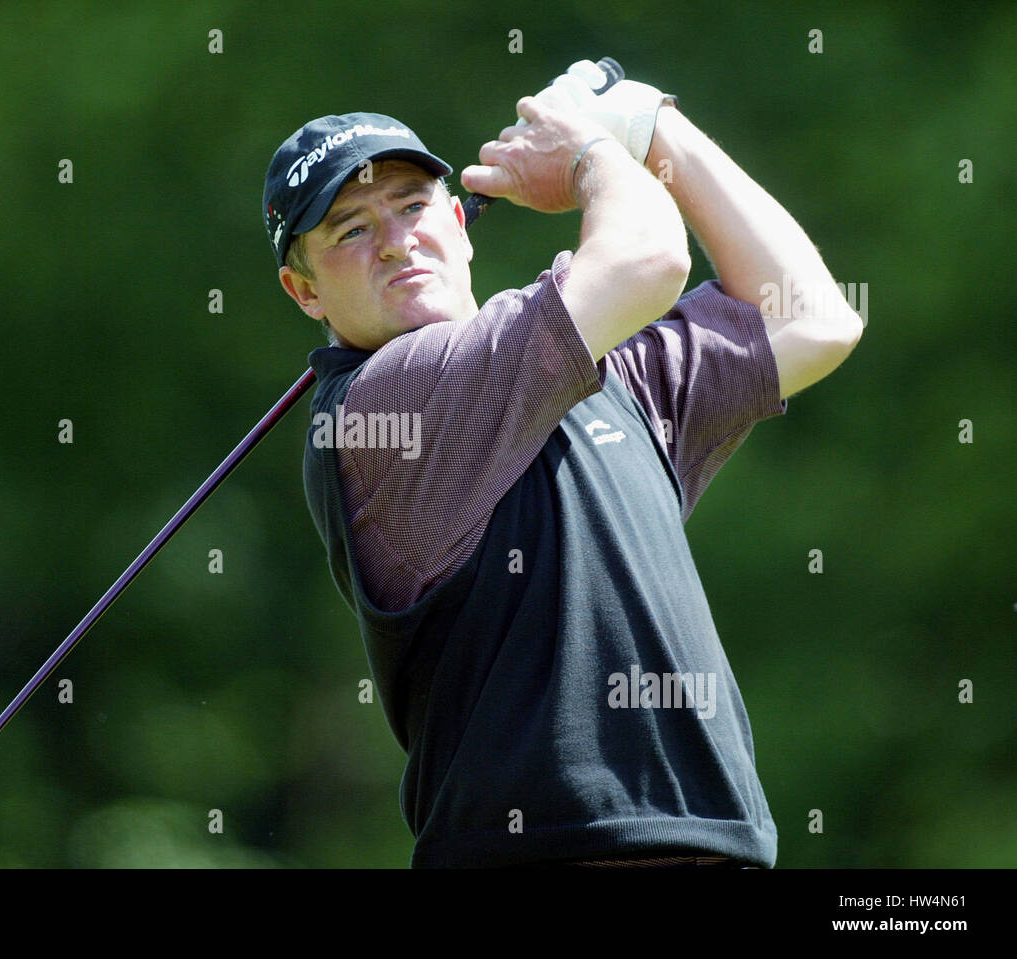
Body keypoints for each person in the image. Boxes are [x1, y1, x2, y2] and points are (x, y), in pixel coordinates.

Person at [262, 67, 862, 868]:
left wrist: (654, 127)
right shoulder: (381, 408)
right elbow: (648, 259)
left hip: (709, 846)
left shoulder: (608, 377)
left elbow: (813, 320)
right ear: (304, 292)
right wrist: (588, 152)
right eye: (350, 230)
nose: (398, 238)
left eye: (411, 206)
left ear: (459, 222)